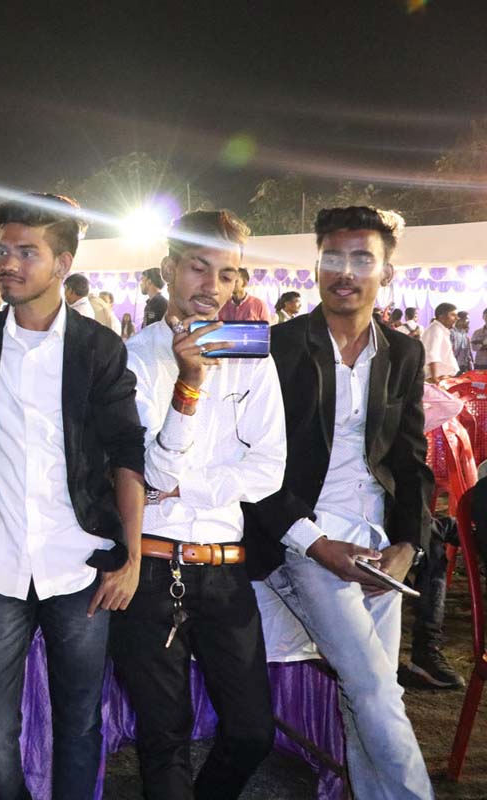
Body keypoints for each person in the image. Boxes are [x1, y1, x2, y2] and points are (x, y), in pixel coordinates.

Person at [246, 206, 434, 800]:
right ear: (317, 266)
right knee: (374, 687)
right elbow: (254, 466)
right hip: (307, 537)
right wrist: (316, 544)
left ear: (386, 272)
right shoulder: (276, 347)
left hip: (379, 544)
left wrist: (409, 545)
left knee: (369, 690)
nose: (344, 272)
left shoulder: (402, 353)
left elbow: (410, 461)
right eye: (332, 257)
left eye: (361, 259)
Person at [0, 193, 145, 800]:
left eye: (26, 252)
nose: (7, 264)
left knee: (81, 722)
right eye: (3, 250)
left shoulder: (97, 348)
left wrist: (131, 556)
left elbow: (127, 453)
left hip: (79, 566)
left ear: (62, 264)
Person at [115, 210, 285, 799]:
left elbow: (268, 472)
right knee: (164, 741)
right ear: (168, 269)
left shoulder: (254, 358)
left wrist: (188, 487)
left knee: (252, 733)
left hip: (224, 566)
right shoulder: (131, 359)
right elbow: (151, 473)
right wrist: (189, 383)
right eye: (198, 267)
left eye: (228, 274)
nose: (213, 285)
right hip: (150, 566)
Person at [420, 301, 459, 382]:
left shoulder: (440, 330)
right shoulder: (436, 330)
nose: (457, 318)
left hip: (440, 377)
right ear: (442, 316)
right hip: (436, 378)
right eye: (453, 315)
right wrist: (435, 379)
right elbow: (432, 355)